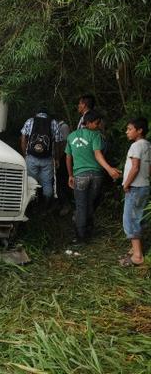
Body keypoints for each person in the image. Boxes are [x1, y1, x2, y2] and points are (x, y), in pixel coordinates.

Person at [65, 110, 121, 243]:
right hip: (96, 176)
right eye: (96, 123)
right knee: (89, 204)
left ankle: (80, 237)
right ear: (88, 123)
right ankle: (88, 231)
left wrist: (70, 175)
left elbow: (68, 158)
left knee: (81, 206)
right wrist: (108, 169)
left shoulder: (71, 136)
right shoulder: (96, 136)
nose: (98, 125)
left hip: (80, 176)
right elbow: (98, 154)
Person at [119, 118, 150, 266]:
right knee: (138, 216)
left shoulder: (136, 146)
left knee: (130, 220)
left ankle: (137, 256)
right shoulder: (147, 145)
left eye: (130, 129)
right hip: (144, 186)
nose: (127, 131)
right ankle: (134, 248)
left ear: (139, 131)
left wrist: (126, 184)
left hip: (135, 187)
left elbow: (135, 167)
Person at [20, 108, 63, 209]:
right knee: (47, 183)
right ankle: (46, 206)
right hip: (47, 158)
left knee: (31, 182)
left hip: (31, 157)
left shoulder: (30, 121)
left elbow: (23, 139)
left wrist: (25, 155)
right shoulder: (54, 123)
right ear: (47, 114)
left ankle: (30, 206)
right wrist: (56, 158)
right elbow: (57, 142)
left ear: (37, 113)